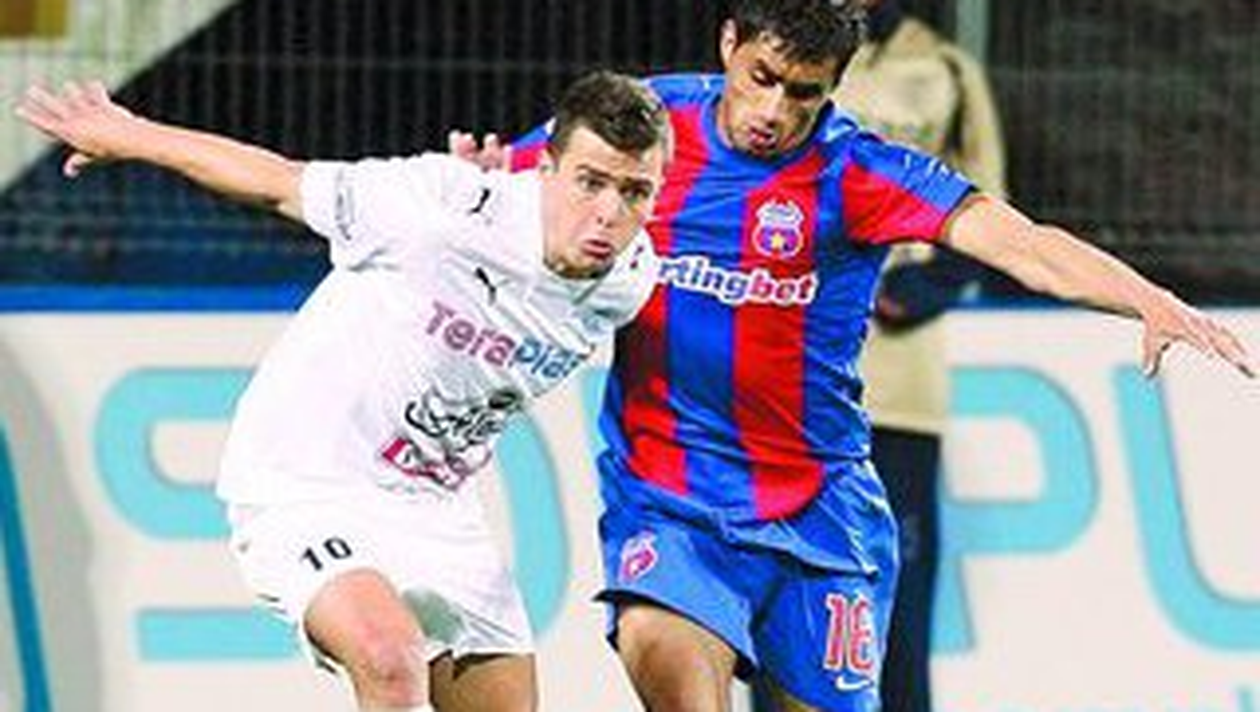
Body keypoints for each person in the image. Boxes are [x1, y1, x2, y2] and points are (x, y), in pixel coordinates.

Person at [463, 2, 1254, 710]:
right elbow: (509, 186)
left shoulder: (861, 172)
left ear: (834, 86)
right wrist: (466, 186)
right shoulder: (649, 128)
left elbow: (1022, 244)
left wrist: (1147, 298)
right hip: (669, 502)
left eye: (802, 92)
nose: (773, 111)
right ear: (729, 42)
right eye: (762, 77)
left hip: (818, 511)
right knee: (668, 664)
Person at [16, 70, 671, 712]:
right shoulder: (437, 208)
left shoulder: (628, 281)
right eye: (590, 182)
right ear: (546, 169)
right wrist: (130, 135)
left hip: (436, 508)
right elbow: (276, 182)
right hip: (307, 480)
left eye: (635, 192)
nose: (609, 213)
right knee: (389, 660)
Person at [831, 2, 1007, 711]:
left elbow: (989, 212)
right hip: (790, 377)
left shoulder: (946, 70)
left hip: (900, 386)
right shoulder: (790, 60)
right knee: (780, 597)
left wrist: (924, 287)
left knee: (897, 593)